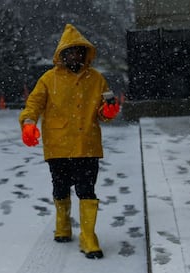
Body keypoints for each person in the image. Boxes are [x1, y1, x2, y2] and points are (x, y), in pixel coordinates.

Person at [18, 24, 120, 259]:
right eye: (70, 52)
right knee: (60, 187)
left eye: (78, 52)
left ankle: (88, 237)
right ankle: (63, 225)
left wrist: (109, 111)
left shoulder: (96, 79)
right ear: (62, 54)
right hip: (58, 145)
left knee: (87, 190)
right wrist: (28, 123)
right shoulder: (48, 79)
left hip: (87, 145)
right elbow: (33, 105)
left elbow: (103, 113)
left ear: (85, 53)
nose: (74, 56)